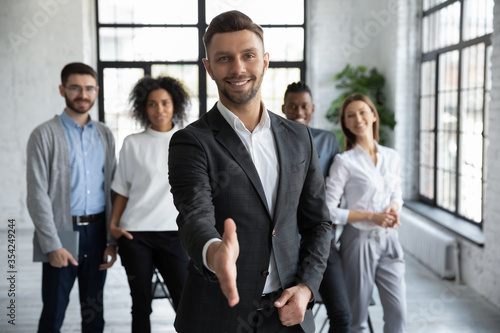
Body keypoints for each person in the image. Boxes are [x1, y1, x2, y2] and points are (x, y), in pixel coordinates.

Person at [168, 10, 332, 333]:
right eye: (225, 58)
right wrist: (215, 253)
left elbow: (318, 222)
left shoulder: (300, 137)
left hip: (288, 313)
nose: (238, 68)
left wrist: (307, 288)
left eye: (248, 56)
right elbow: (194, 216)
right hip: (217, 315)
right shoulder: (191, 142)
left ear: (265, 61)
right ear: (209, 68)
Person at [27, 62, 117, 333]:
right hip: (63, 231)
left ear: (97, 91)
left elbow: (113, 187)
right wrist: (52, 244)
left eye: (89, 88)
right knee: (54, 310)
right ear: (62, 90)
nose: (83, 94)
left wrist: (112, 240)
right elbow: (36, 194)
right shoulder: (43, 134)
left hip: (99, 230)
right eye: (75, 88)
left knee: (94, 312)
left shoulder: (105, 134)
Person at [109, 76, 190, 332]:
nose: (159, 110)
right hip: (136, 236)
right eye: (152, 104)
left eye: (165, 103)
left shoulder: (189, 140)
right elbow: (122, 189)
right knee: (140, 304)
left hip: (175, 235)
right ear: (144, 108)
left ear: (174, 105)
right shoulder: (132, 143)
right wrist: (113, 226)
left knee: (185, 301)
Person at [324, 93, 406, 333]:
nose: (357, 118)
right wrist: (371, 216)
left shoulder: (392, 157)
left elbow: (397, 195)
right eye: (350, 115)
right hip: (357, 241)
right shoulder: (344, 162)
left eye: (362, 112)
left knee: (398, 314)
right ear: (346, 123)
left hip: (390, 240)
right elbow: (329, 211)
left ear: (373, 115)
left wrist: (394, 208)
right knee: (356, 318)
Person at [282, 81, 351, 333]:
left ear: (312, 108)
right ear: (283, 108)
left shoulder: (327, 140)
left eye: (304, 106)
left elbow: (337, 187)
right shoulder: (275, 139)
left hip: (321, 240)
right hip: (284, 243)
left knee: (342, 316)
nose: (299, 111)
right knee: (290, 317)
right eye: (293, 106)